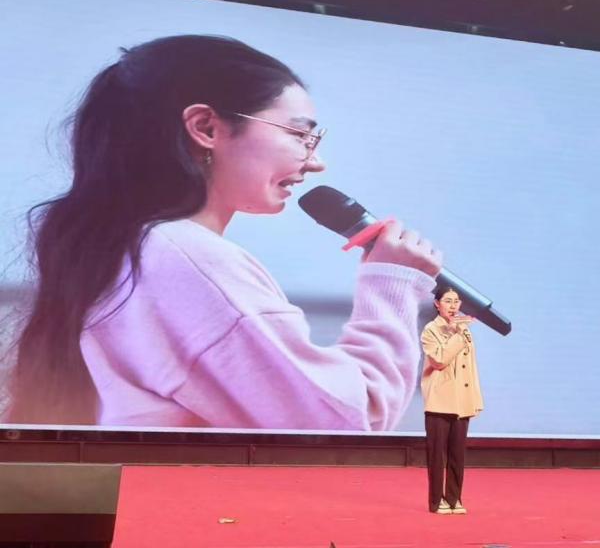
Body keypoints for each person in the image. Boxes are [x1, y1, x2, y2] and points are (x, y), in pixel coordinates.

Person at [4, 34, 442, 429]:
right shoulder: (183, 257)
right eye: (299, 135)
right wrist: (391, 286)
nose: (315, 162)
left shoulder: (127, 251)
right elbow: (339, 423)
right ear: (206, 128)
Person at [420, 286, 483, 515]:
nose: (453, 306)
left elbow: (471, 367)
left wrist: (475, 397)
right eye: (447, 301)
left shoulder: (463, 330)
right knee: (437, 455)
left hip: (462, 401)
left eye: (456, 301)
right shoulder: (431, 329)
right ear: (437, 304)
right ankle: (437, 501)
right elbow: (439, 360)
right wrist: (457, 334)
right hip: (440, 400)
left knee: (458, 454)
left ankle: (454, 498)